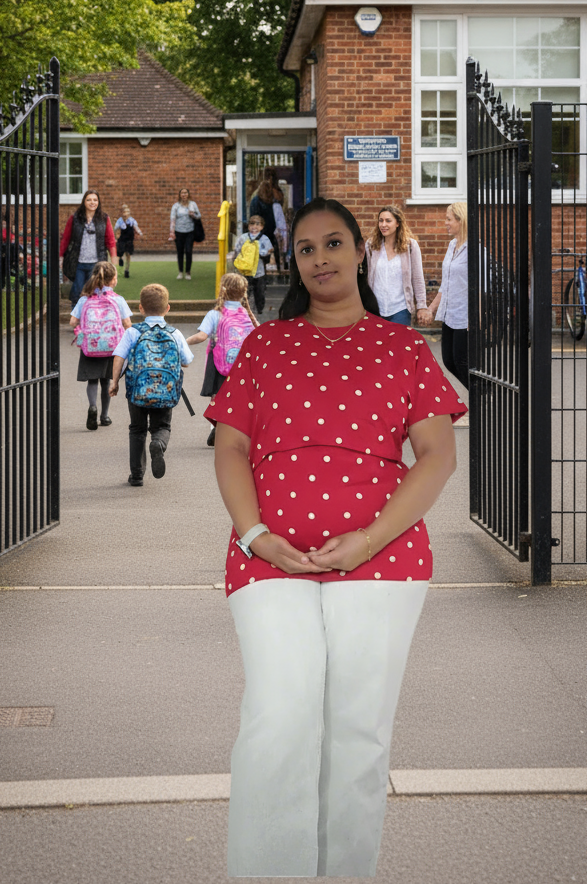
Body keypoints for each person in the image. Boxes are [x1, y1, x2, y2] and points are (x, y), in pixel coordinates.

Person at [206, 196, 464, 878]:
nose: (320, 258)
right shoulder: (266, 344)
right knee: (278, 719)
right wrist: (256, 534)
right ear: (296, 262)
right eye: (308, 248)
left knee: (358, 736)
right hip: (270, 561)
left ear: (360, 252)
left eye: (333, 244)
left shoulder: (404, 347)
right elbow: (229, 448)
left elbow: (437, 457)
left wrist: (368, 540)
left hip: (382, 562)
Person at [109, 283, 193, 486]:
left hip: (137, 391)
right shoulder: (175, 333)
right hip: (166, 391)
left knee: (137, 429)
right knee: (162, 426)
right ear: (168, 308)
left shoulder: (133, 332)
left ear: (140, 308)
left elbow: (119, 357)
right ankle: (158, 443)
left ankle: (137, 475)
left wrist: (114, 382)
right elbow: (186, 361)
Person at [186, 272, 257, 447]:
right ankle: (235, 431)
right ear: (243, 293)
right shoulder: (247, 315)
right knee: (238, 397)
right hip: (241, 365)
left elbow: (202, 336)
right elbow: (258, 336)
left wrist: (183, 342)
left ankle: (215, 428)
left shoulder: (215, 314)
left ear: (222, 290)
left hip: (218, 361)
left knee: (217, 397)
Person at [68, 261, 132, 431]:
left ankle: (92, 407)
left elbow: (72, 321)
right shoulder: (118, 300)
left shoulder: (84, 299)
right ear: (112, 280)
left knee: (92, 380)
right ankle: (104, 416)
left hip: (91, 346)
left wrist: (83, 328)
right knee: (106, 381)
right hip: (112, 347)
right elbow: (128, 324)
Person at [427, 201, 471, 428]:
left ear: (460, 220)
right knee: (449, 361)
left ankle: (481, 400)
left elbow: (481, 286)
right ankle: (482, 396)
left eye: (448, 219)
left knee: (462, 361)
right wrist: (432, 308)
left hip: (466, 315)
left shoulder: (475, 249)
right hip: (449, 312)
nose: (445, 223)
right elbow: (445, 284)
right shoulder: (452, 245)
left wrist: (478, 317)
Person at [364, 204, 430, 326]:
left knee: (398, 345)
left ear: (397, 223)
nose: (383, 225)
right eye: (381, 221)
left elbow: (418, 279)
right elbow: (365, 277)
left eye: (388, 221)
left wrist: (422, 306)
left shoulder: (410, 246)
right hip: (375, 309)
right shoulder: (371, 245)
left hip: (401, 310)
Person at [60, 190, 117, 309]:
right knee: (77, 291)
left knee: (95, 291)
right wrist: (61, 256)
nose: (92, 202)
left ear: (98, 202)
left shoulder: (104, 218)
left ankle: (93, 318)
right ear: (84, 202)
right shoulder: (75, 218)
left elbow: (110, 239)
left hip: (96, 263)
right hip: (78, 262)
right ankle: (76, 319)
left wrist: (113, 257)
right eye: (89, 200)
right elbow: (66, 238)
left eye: (95, 200)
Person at [229, 214, 272, 315]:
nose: (254, 227)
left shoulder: (264, 238)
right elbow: (237, 250)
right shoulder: (243, 238)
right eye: (252, 224)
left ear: (262, 227)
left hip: (259, 270)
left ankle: (259, 309)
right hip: (245, 270)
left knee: (259, 292)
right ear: (248, 226)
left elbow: (269, 250)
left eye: (258, 224)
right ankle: (244, 309)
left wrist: (260, 252)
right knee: (245, 291)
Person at [248, 166, 284, 271]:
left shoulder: (257, 197)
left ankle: (262, 271)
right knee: (275, 248)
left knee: (262, 251)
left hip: (263, 229)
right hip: (272, 228)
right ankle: (279, 270)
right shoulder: (275, 196)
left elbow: (253, 213)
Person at [168, 187, 201, 281]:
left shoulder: (193, 204)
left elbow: (199, 216)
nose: (184, 195)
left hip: (190, 231)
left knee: (189, 251)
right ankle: (180, 272)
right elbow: (172, 219)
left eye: (185, 193)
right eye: (182, 193)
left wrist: (193, 215)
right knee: (180, 252)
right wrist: (172, 232)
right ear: (179, 195)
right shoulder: (176, 206)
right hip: (179, 232)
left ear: (188, 194)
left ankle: (188, 272)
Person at [114, 205, 144, 278]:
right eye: (124, 212)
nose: (125, 213)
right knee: (120, 253)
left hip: (129, 239)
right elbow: (115, 229)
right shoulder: (120, 221)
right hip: (122, 239)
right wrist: (115, 237)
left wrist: (140, 233)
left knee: (128, 254)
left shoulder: (132, 221)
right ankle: (121, 259)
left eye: (127, 212)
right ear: (122, 213)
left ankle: (126, 270)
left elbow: (136, 228)